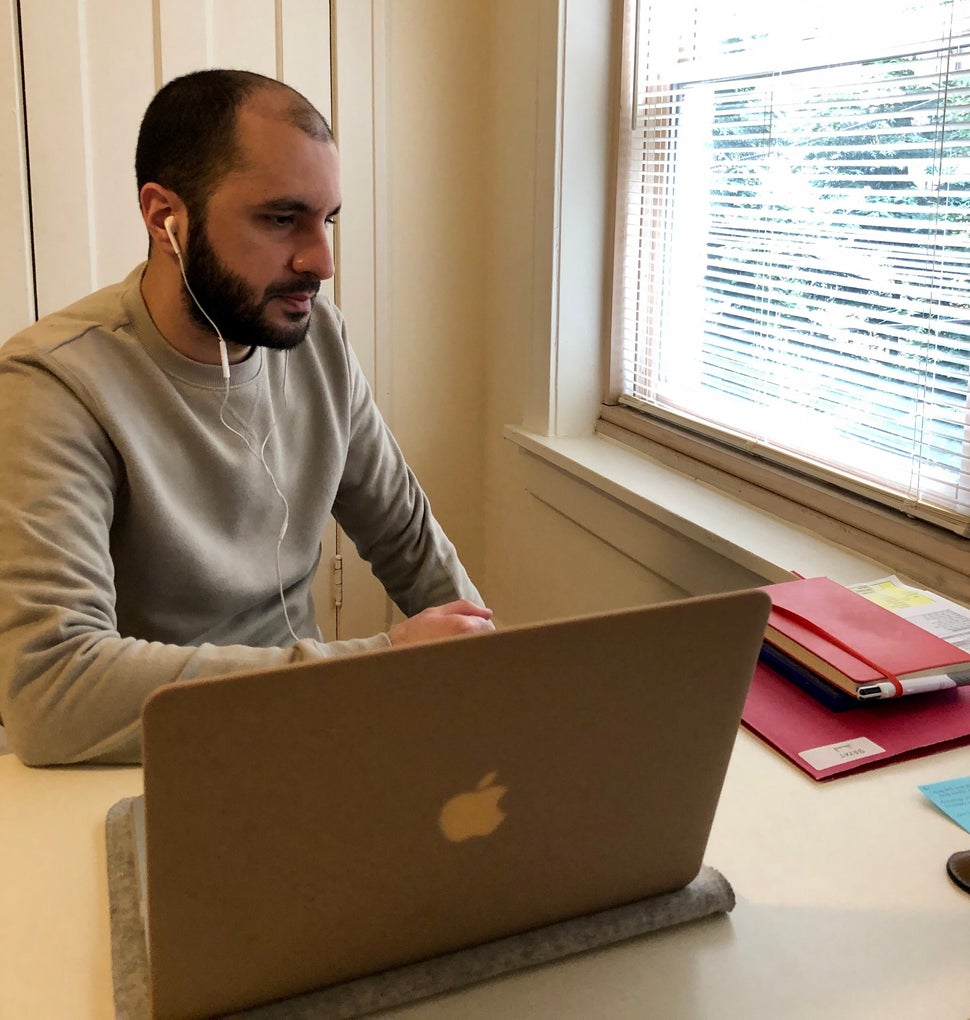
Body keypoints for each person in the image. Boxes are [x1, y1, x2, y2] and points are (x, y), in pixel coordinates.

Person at [0, 69, 493, 767]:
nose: (319, 261)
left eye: (327, 221)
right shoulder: (54, 383)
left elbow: (409, 541)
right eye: (282, 218)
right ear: (163, 216)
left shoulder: (319, 340)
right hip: (150, 765)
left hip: (309, 734)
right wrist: (373, 664)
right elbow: (52, 693)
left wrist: (499, 682)